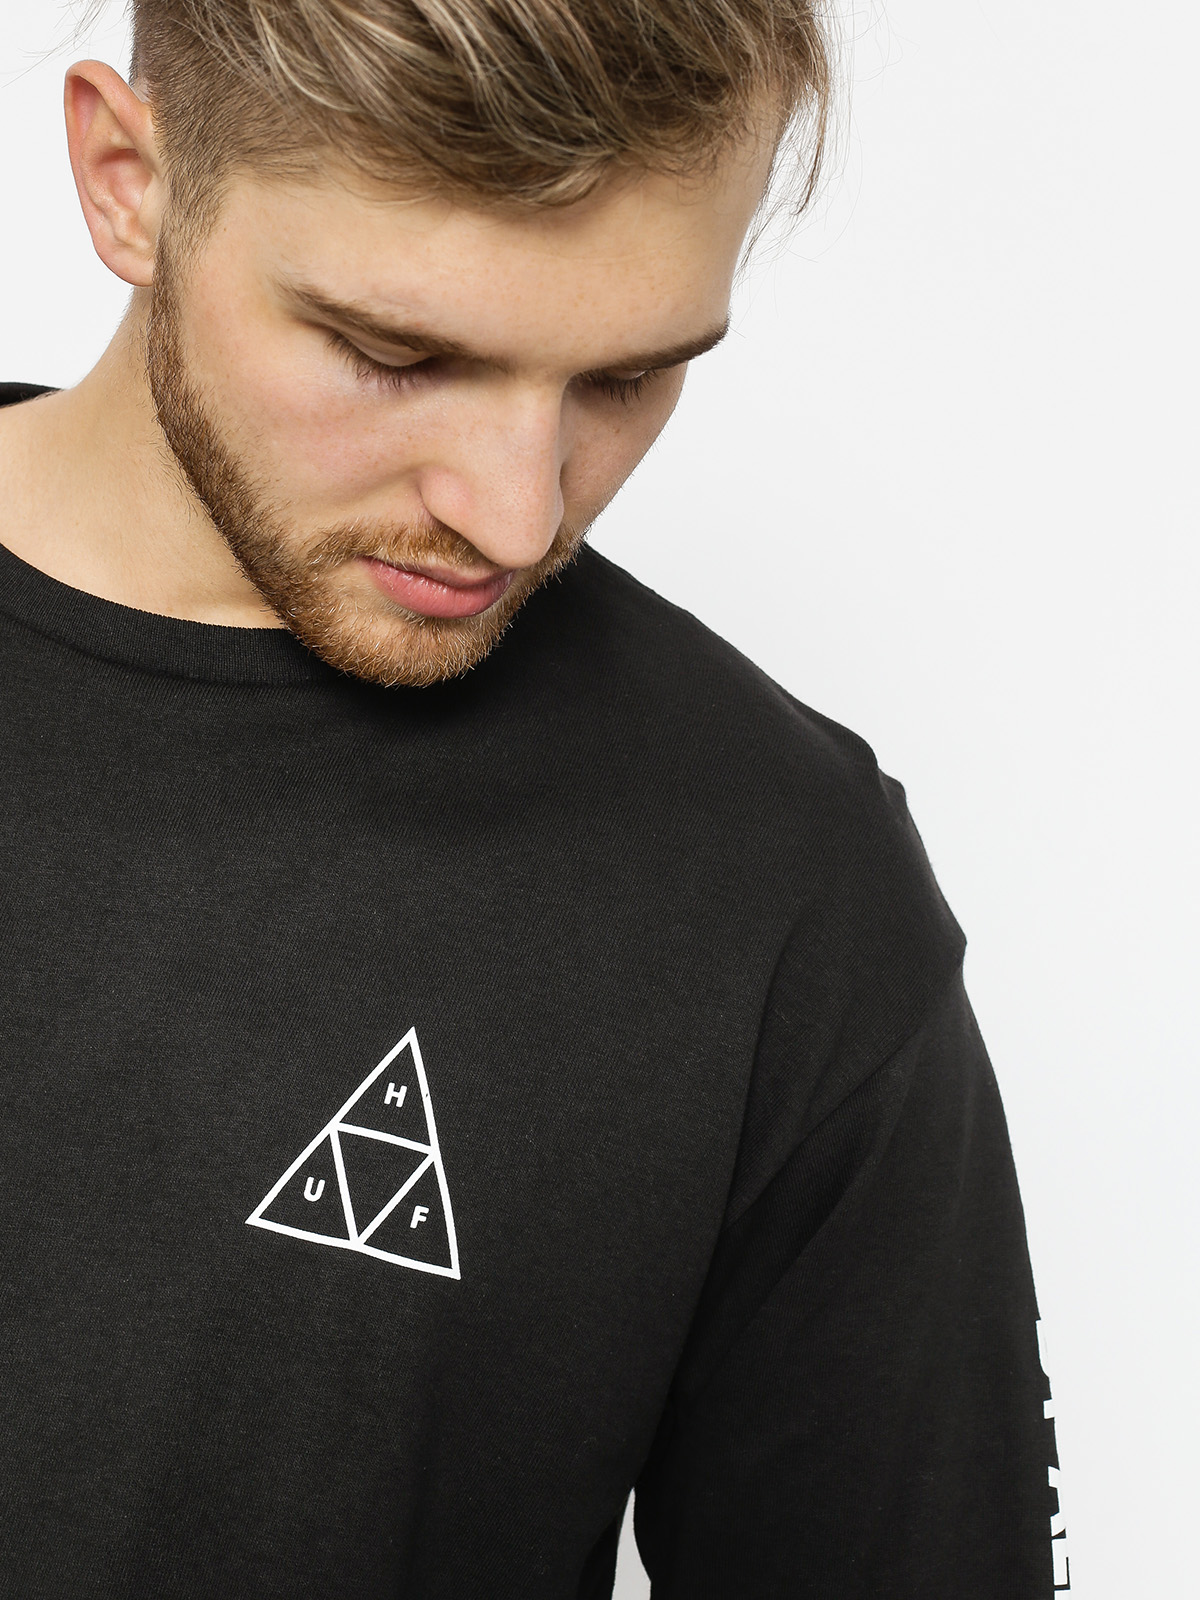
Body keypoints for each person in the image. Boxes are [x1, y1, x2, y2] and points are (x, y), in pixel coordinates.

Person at [0, 2, 1061, 1595]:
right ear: (127, 179)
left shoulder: (775, 887)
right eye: (398, 355)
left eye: (627, 376)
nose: (513, 513)